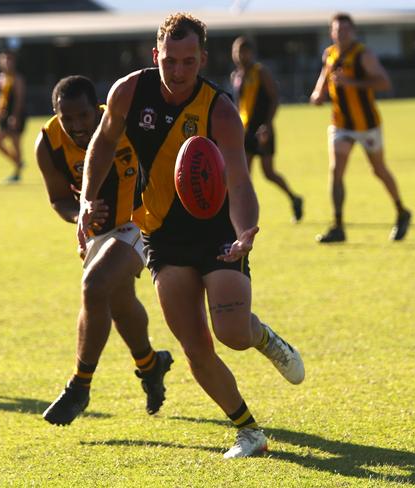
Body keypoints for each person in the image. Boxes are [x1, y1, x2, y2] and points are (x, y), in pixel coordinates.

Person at [78, 13, 305, 459]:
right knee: (195, 347)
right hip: (162, 236)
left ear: (202, 58)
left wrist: (246, 231)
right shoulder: (128, 91)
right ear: (155, 55)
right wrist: (87, 198)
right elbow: (102, 143)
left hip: (219, 234)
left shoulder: (219, 109)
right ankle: (249, 431)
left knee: (233, 333)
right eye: (170, 61)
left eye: (188, 61)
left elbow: (239, 181)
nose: (178, 72)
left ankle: (265, 339)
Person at [36, 76, 173, 426]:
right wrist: (79, 213)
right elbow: (58, 200)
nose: (78, 127)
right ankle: (150, 364)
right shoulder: (48, 143)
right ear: (56, 115)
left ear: (97, 109)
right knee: (118, 301)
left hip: (140, 221)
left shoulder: (122, 123)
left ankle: (79, 387)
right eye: (69, 120)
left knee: (94, 287)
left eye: (84, 116)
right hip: (96, 233)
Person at [310, 13, 411, 243]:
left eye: (345, 29)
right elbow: (322, 83)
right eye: (337, 30)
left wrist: (352, 83)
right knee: (336, 171)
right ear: (331, 32)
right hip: (341, 124)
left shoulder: (363, 55)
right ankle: (338, 226)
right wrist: (318, 95)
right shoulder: (330, 54)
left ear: (353, 31)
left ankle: (401, 211)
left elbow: (384, 83)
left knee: (378, 170)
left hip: (367, 124)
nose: (341, 33)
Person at [231, 36, 303, 222]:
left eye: (244, 52)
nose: (241, 56)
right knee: (244, 176)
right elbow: (240, 106)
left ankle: (294, 199)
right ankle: (243, 214)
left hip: (262, 131)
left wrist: (268, 125)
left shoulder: (260, 72)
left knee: (269, 173)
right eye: (238, 52)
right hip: (245, 131)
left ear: (251, 53)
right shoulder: (236, 76)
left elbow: (274, 97)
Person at [0, 50, 26, 184]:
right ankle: (18, 163)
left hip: (15, 114)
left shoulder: (17, 78)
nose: (6, 62)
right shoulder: (1, 77)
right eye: (3, 59)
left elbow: (19, 99)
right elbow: (0, 96)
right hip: (4, 115)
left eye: (8, 60)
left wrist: (15, 116)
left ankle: (17, 173)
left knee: (15, 143)